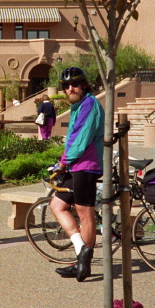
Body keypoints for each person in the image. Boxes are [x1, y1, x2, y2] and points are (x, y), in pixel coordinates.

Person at [50, 66, 104, 282]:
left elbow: (81, 140)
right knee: (57, 205)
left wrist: (64, 162)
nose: (70, 88)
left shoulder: (89, 104)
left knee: (85, 213)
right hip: (76, 165)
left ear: (83, 85)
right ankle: (82, 252)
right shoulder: (78, 106)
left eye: (74, 84)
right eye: (66, 86)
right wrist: (63, 161)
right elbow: (72, 138)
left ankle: (85, 263)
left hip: (86, 166)